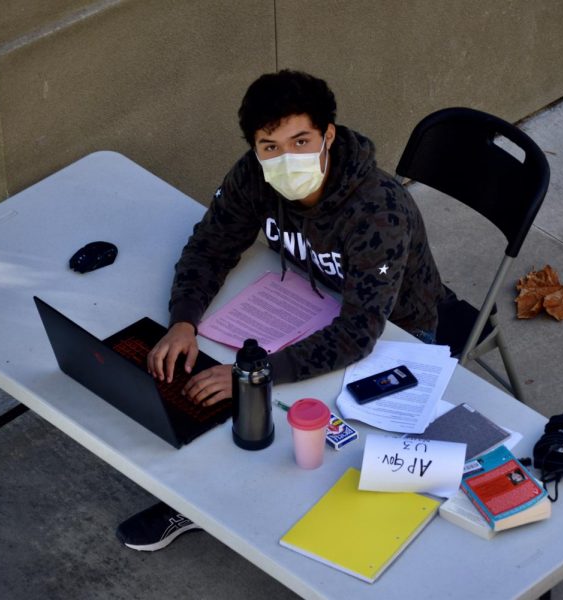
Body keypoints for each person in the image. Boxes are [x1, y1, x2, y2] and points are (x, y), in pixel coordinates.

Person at [115, 70, 445, 551]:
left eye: (301, 140)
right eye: (269, 145)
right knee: (201, 369)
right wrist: (183, 320)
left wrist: (257, 375)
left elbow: (358, 333)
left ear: (328, 134)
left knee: (293, 424)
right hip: (300, 299)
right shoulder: (255, 172)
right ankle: (198, 498)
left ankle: (246, 510)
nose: (285, 158)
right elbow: (210, 246)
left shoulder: (378, 210)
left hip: (400, 336)